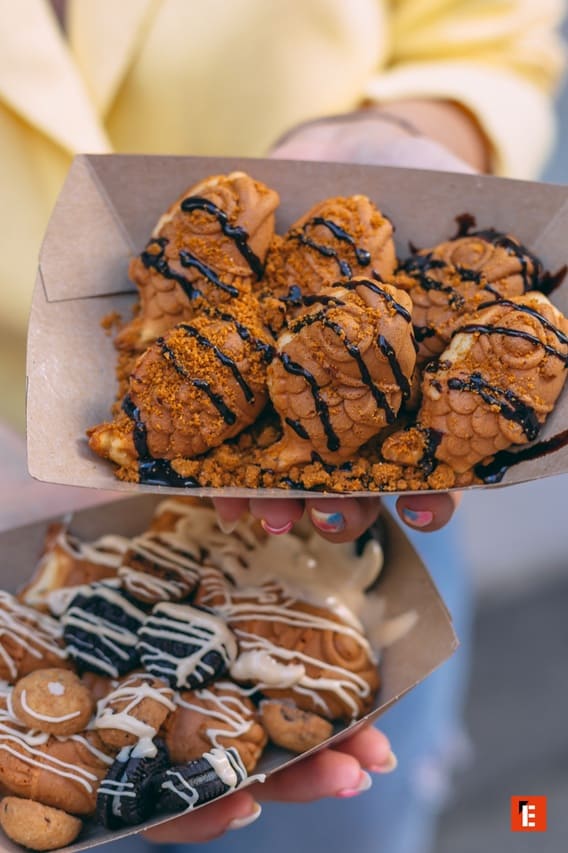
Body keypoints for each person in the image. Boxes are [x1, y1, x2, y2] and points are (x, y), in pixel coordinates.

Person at [0, 2, 564, 851]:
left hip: (348, 541)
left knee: (346, 809)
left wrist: (404, 131)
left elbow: (479, 34)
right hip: (25, 492)